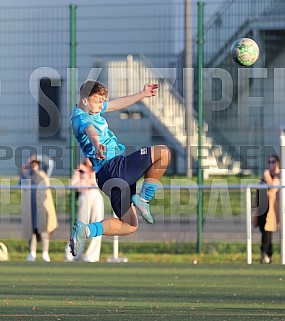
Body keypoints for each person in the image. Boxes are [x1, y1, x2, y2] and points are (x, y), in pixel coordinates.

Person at [69, 80, 171, 256]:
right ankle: (144, 199)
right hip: (115, 167)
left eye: (103, 101)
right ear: (85, 100)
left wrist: (143, 93)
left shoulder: (93, 109)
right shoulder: (80, 117)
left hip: (105, 177)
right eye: (98, 100)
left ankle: (85, 231)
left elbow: (116, 104)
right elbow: (90, 130)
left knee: (130, 225)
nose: (102, 105)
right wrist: (97, 143)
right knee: (163, 153)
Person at [65, 157, 104, 262]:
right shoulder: (79, 170)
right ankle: (74, 253)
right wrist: (83, 174)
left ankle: (91, 255)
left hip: (96, 196)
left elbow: (99, 184)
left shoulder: (97, 169)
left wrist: (90, 175)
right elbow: (73, 185)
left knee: (97, 224)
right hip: (85, 196)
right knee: (81, 225)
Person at [20, 159, 58, 262]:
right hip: (31, 207)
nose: (33, 166)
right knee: (32, 230)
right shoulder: (27, 175)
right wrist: (23, 172)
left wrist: (38, 157)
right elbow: (22, 185)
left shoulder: (43, 174)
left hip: (42, 207)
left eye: (35, 164)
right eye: (31, 164)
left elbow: (50, 162)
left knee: (43, 230)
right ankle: (32, 253)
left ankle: (45, 253)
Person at [253, 154, 281, 264]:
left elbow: (273, 186)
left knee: (267, 231)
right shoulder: (265, 177)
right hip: (262, 208)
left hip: (273, 210)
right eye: (269, 162)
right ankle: (268, 254)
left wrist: (267, 175)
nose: (271, 164)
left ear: (278, 163)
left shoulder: (277, 176)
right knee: (264, 231)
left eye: (273, 162)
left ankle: (265, 253)